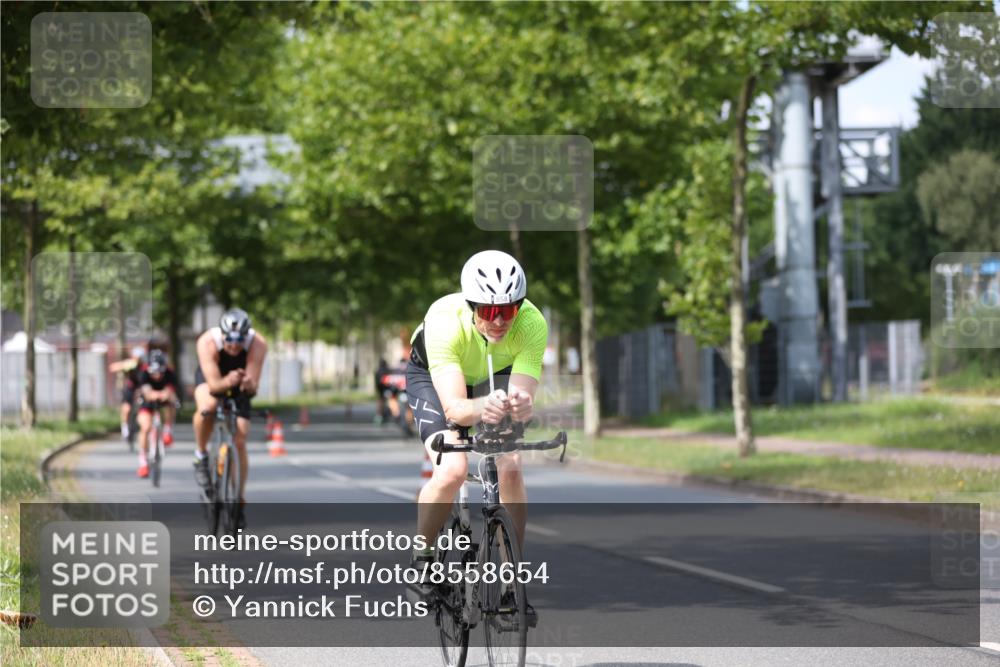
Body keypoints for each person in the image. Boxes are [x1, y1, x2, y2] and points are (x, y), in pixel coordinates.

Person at [406, 250, 546, 619]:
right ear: (471, 306)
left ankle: (510, 579)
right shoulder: (444, 321)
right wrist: (484, 407)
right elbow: (454, 408)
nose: (499, 320)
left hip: (490, 374)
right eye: (487, 311)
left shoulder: (532, 323)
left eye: (508, 310)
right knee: (452, 469)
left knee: (511, 464)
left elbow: (522, 392)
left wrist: (521, 405)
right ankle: (423, 557)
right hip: (435, 379)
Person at [191, 308, 267, 527]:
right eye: (230, 339)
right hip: (212, 377)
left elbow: (252, 387)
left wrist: (248, 383)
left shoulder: (258, 344)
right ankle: (201, 454)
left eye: (239, 339)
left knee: (241, 436)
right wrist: (228, 381)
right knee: (209, 406)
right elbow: (214, 385)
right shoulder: (207, 342)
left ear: (247, 336)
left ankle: (238, 499)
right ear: (222, 334)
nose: (234, 345)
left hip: (239, 381)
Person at [135, 350, 179, 478]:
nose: (157, 375)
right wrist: (157, 395)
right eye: (154, 372)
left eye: (160, 372)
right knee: (146, 427)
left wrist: (167, 395)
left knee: (171, 404)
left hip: (165, 400)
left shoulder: (169, 373)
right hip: (147, 401)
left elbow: (171, 391)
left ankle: (167, 430)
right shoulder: (143, 373)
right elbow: (147, 393)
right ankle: (143, 461)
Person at [108, 346, 146, 442]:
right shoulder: (130, 364)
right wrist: (124, 365)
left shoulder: (145, 367)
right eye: (135, 357)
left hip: (142, 388)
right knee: (126, 408)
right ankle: (125, 428)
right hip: (131, 388)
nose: (137, 359)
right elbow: (112, 368)